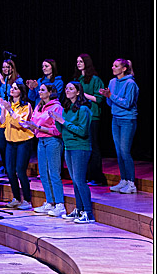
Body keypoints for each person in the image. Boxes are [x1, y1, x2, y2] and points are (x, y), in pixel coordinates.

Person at [22, 81, 65, 217]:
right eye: (39, 90)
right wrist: (29, 125)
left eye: (42, 90)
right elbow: (35, 122)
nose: (39, 92)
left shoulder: (56, 107)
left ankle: (60, 204)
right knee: (44, 173)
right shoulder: (39, 106)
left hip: (53, 141)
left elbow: (57, 130)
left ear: (50, 92)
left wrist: (38, 128)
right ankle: (50, 202)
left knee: (54, 172)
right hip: (41, 140)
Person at [53, 80, 94, 223]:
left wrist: (63, 122)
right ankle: (79, 209)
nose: (67, 90)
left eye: (71, 88)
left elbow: (82, 131)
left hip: (80, 147)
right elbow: (60, 130)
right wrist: (57, 120)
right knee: (75, 181)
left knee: (80, 180)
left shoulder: (83, 109)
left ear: (78, 92)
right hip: (68, 146)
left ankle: (88, 213)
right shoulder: (67, 108)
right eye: (66, 88)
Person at [100, 58, 138, 194]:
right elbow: (110, 104)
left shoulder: (130, 83)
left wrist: (111, 96)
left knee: (125, 151)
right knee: (118, 152)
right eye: (112, 65)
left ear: (124, 69)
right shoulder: (112, 82)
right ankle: (124, 180)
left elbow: (128, 103)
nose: (112, 68)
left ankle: (131, 183)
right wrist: (107, 96)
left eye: (116, 66)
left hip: (127, 120)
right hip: (115, 118)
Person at [0, 81, 34, 210]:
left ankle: (27, 200)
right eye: (11, 88)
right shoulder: (9, 105)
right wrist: (3, 110)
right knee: (10, 171)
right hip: (10, 142)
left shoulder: (26, 106)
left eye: (15, 88)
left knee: (20, 170)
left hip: (23, 141)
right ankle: (17, 198)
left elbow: (20, 123)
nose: (12, 90)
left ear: (21, 91)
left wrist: (9, 110)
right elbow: (1, 124)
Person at [73, 54, 106, 186]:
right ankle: (85, 175)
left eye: (81, 61)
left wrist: (83, 95)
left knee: (93, 146)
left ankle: (97, 176)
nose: (78, 63)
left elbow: (99, 98)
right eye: (77, 61)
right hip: (79, 117)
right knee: (83, 146)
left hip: (92, 116)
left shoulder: (95, 79)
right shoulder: (78, 79)